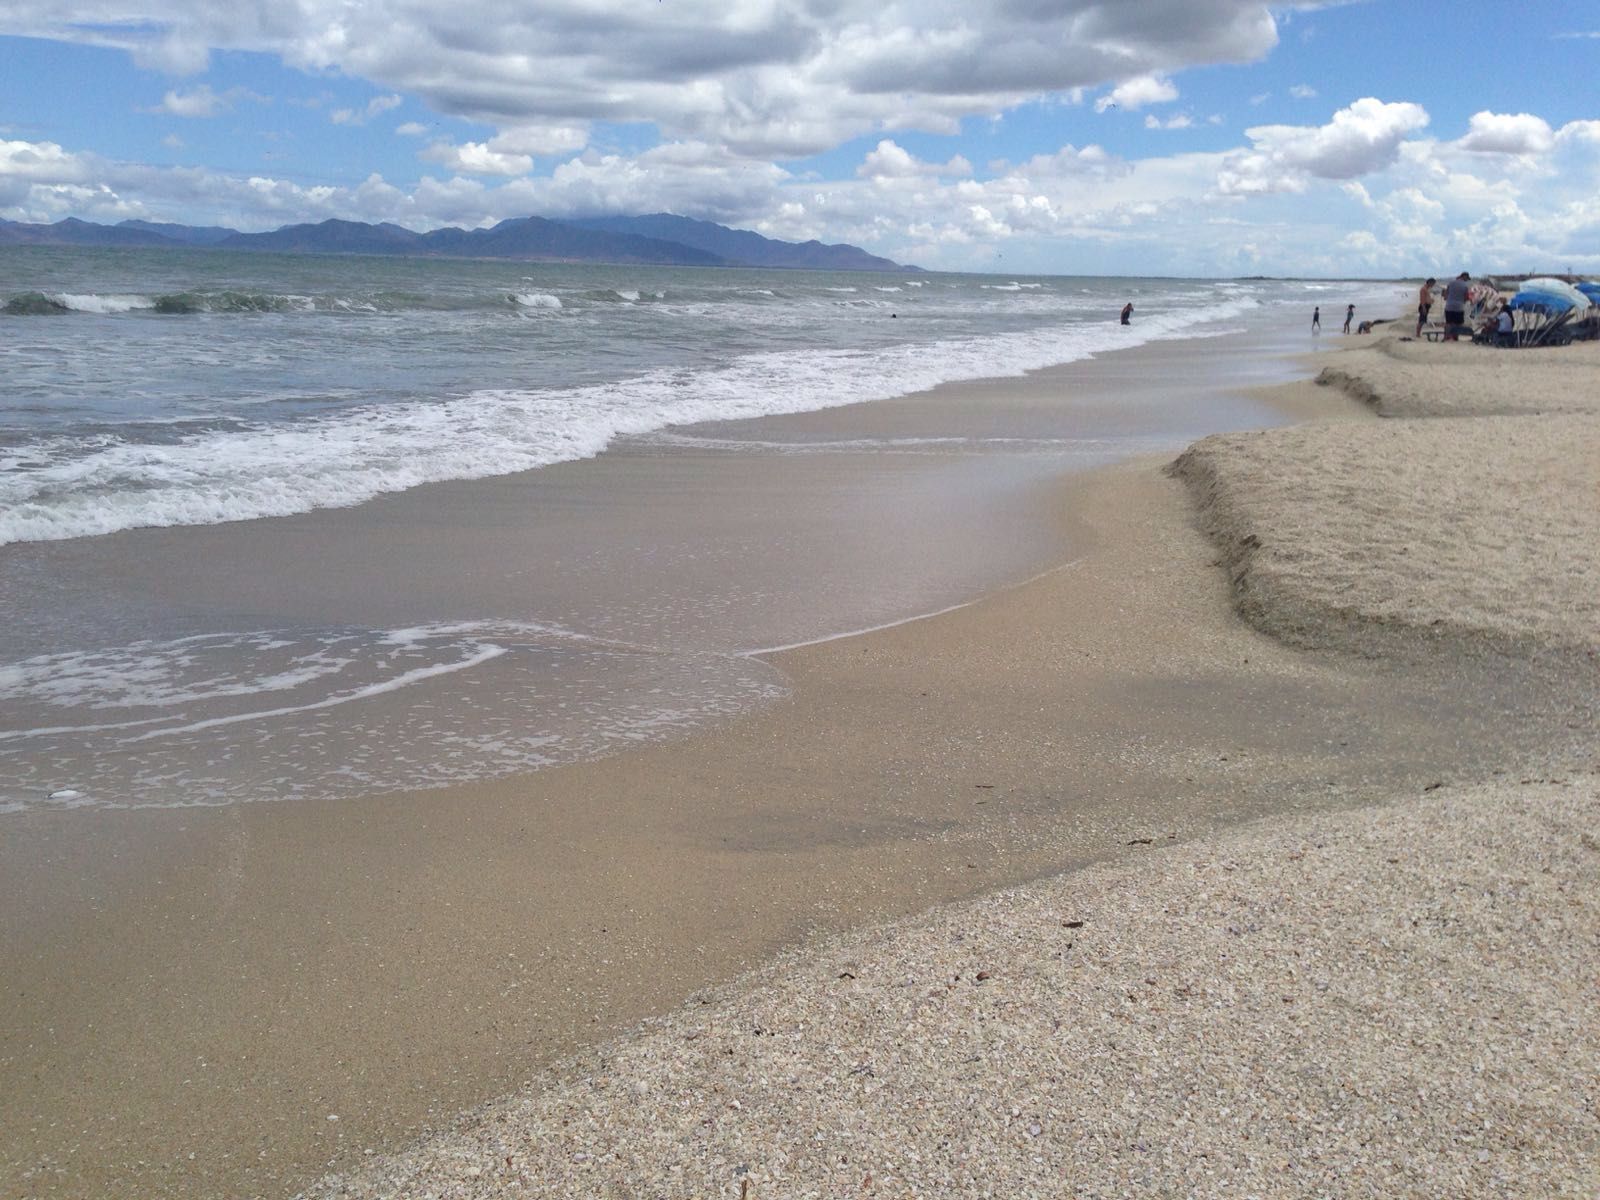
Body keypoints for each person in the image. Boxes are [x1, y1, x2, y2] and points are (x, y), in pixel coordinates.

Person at [1442, 271, 1471, 341]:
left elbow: (1445, 295)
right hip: (1459, 307)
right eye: (1467, 279)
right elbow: (1466, 297)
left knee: (1448, 322)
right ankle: (1455, 337)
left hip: (1449, 306)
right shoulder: (1465, 286)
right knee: (1458, 323)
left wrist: (1449, 298)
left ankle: (1446, 336)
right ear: (1464, 277)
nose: (1467, 280)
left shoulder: (1451, 283)